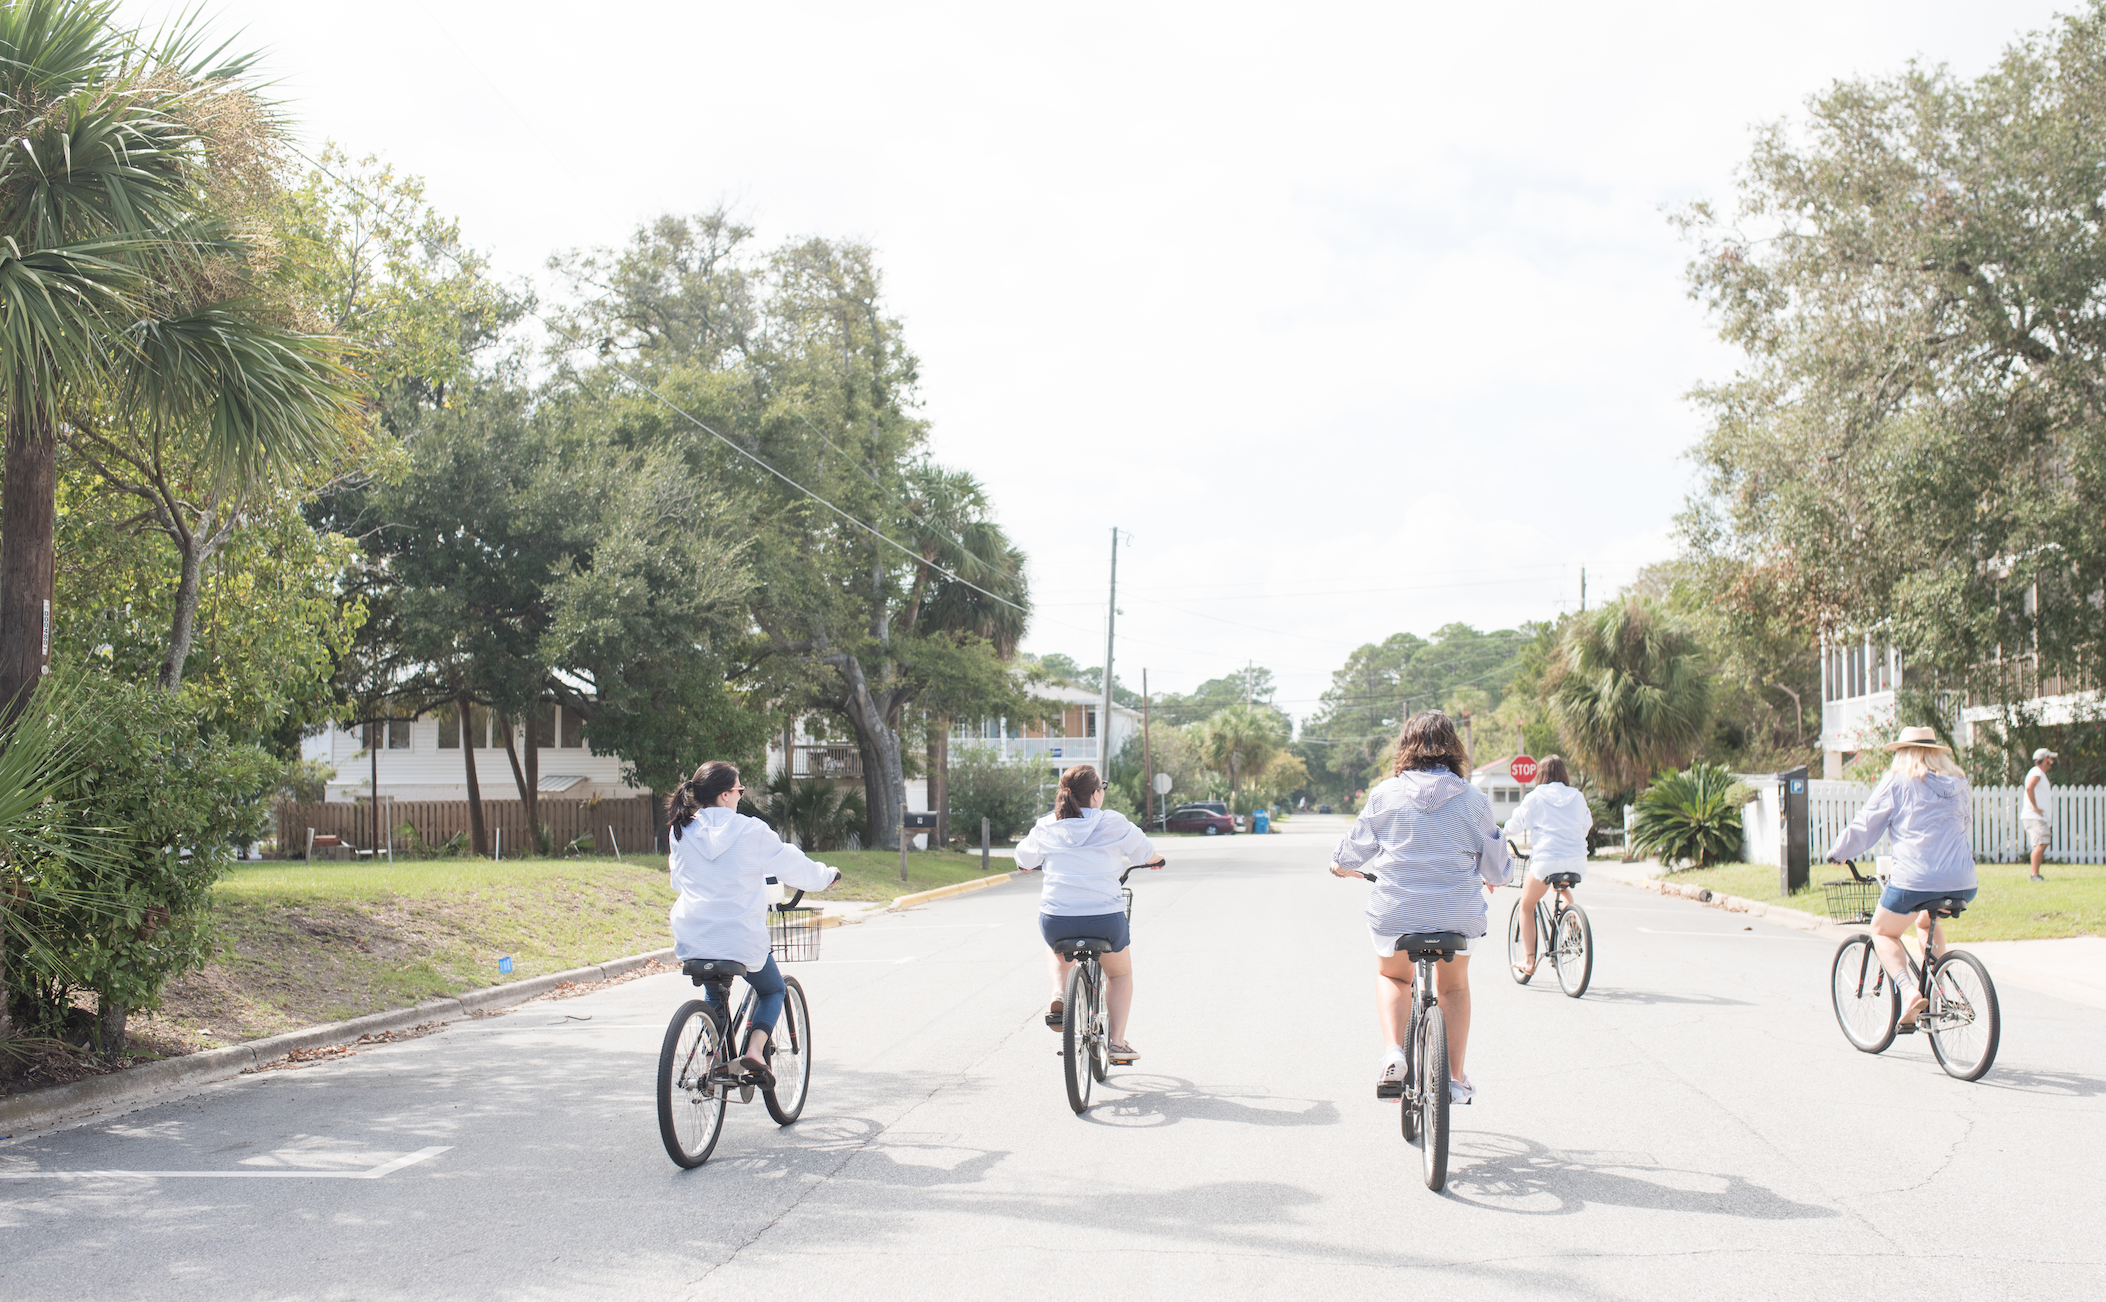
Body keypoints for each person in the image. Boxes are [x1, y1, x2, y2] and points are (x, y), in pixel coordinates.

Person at [1329, 710, 1513, 1103]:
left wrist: (1340, 866)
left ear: (1406, 748)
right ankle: (1455, 1080)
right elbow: (1497, 868)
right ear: (1453, 747)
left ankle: (1394, 1052)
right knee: (1454, 986)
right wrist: (1491, 875)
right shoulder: (1474, 798)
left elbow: (1350, 853)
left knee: (1395, 977)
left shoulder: (1385, 793)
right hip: (1457, 915)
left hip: (1397, 914)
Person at [666, 760, 841, 1087]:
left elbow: (680, 882)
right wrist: (826, 875)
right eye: (739, 790)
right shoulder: (751, 830)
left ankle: (713, 1059)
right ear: (724, 794)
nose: (741, 796)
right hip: (740, 938)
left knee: (714, 992)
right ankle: (756, 1052)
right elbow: (795, 866)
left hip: (694, 936)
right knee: (773, 988)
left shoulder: (680, 829)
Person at [1827, 726, 1975, 1029]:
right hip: (1964, 880)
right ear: (1935, 753)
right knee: (1924, 921)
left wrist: (1839, 851)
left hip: (1916, 879)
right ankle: (1940, 992)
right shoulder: (1960, 783)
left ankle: (1909, 992)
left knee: (1882, 931)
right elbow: (1962, 825)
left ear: (1903, 753)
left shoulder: (1898, 781)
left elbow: (1866, 825)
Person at [1015, 764, 1162, 1065]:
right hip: (1104, 918)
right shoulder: (1114, 822)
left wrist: (1028, 864)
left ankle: (1059, 992)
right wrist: (1157, 861)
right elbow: (1145, 854)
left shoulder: (1047, 825)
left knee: (1055, 945)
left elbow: (1024, 857)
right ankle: (1117, 1043)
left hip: (1057, 920)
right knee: (1120, 974)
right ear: (1096, 794)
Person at [1499, 754, 1593, 978]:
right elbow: (1587, 824)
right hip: (1577, 860)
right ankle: (1572, 923)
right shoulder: (1577, 796)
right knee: (1561, 887)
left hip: (1546, 861)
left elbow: (1515, 824)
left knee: (1526, 905)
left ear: (1540, 774)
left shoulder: (1535, 797)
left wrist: (1501, 833)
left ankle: (1529, 961)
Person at [2022, 748, 2057, 882]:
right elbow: (2030, 787)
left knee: (2042, 842)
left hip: (2036, 816)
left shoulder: (2039, 773)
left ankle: (2035, 874)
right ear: (2045, 759)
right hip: (2034, 816)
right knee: (2041, 843)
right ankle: (2034, 875)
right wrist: (2035, 807)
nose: (2052, 762)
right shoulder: (2036, 773)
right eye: (2050, 759)